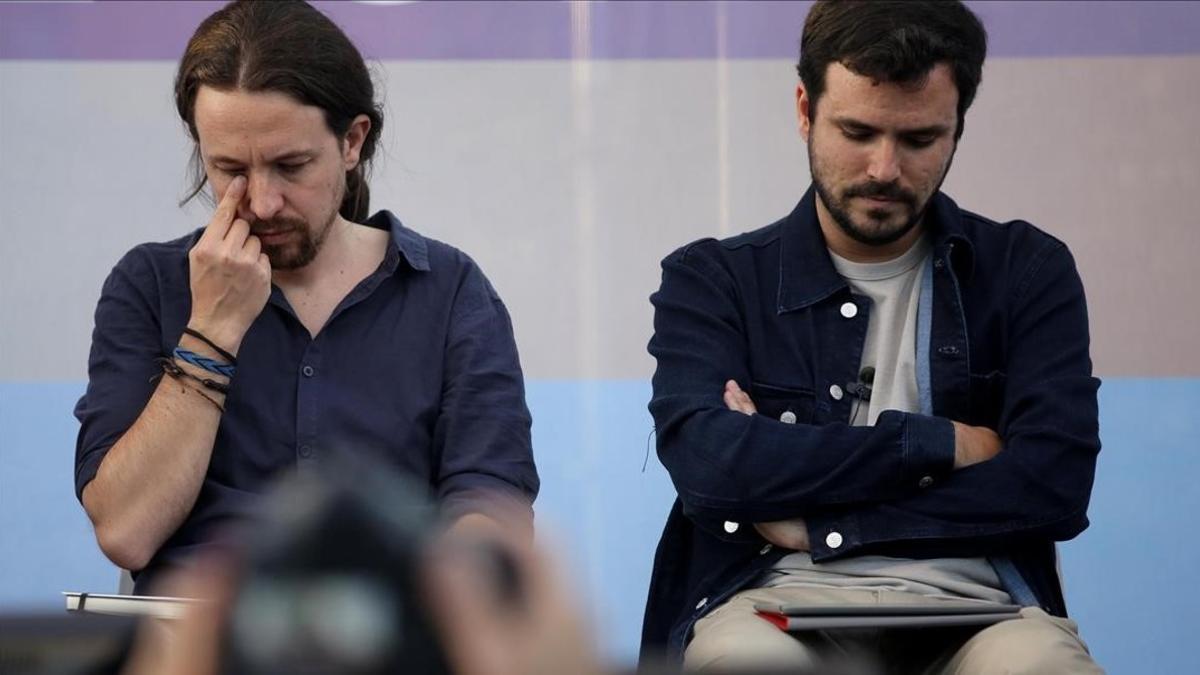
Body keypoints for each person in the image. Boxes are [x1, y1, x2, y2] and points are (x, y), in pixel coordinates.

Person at [642, 1, 1102, 672]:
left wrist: (824, 522)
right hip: (772, 601)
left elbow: (1054, 482)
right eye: (857, 131)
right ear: (805, 108)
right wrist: (939, 441)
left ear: (957, 128)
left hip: (983, 611)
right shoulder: (712, 280)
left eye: (918, 139)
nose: (884, 167)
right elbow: (714, 467)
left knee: (1039, 667)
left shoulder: (1028, 271)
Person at [74, 0, 538, 594]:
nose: (262, 203)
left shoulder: (447, 292)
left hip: (392, 634)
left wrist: (426, 617)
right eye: (229, 169)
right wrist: (212, 330)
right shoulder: (150, 285)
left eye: (291, 166)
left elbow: (492, 515)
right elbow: (127, 531)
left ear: (352, 141)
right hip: (198, 635)